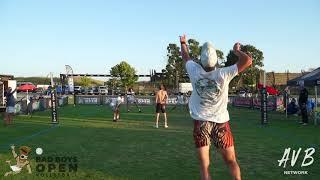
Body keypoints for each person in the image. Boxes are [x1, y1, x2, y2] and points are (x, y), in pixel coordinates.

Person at [180, 34, 252, 180]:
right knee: (231, 162)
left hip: (201, 123)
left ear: (200, 59)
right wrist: (236, 51)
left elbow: (186, 57)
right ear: (216, 60)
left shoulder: (194, 70)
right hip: (221, 123)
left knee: (204, 166)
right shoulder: (224, 73)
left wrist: (183, 43)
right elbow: (248, 61)